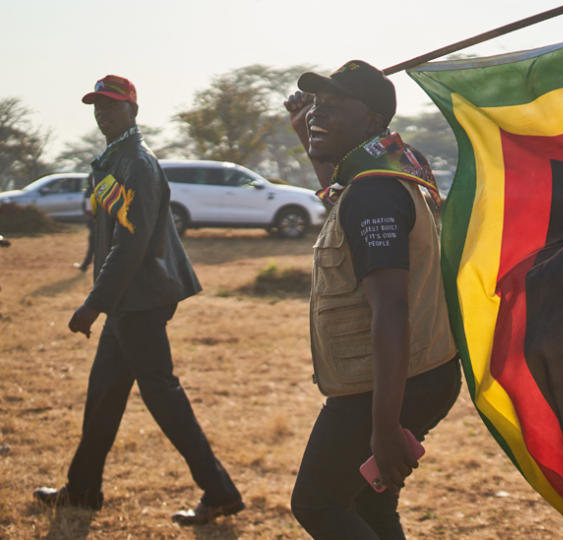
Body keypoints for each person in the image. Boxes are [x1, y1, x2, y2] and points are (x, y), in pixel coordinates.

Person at [33, 75, 243, 526]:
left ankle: (220, 491)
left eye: (111, 105)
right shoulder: (116, 159)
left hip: (141, 297)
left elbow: (131, 243)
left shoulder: (137, 164)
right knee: (105, 392)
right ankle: (84, 489)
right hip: (131, 298)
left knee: (162, 395)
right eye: (97, 105)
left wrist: (94, 302)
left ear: (133, 109)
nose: (102, 112)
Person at [284, 60, 460, 539]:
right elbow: (339, 191)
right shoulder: (398, 163)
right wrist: (311, 134)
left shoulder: (373, 192)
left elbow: (391, 311)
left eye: (334, 107)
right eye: (316, 105)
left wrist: (383, 430)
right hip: (427, 373)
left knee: (318, 503)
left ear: (372, 120)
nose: (318, 114)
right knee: (371, 509)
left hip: (384, 387)